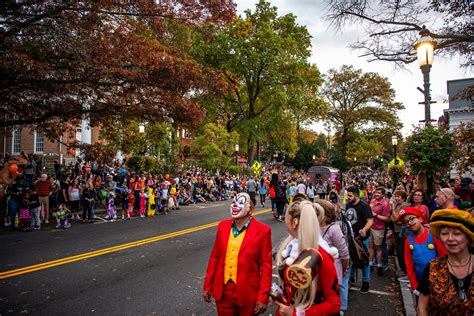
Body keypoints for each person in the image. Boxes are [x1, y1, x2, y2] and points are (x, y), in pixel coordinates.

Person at [203, 192, 272, 315]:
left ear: (250, 208)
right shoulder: (222, 226)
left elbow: (266, 267)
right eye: (234, 201)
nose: (235, 205)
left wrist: (263, 296)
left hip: (248, 293)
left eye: (240, 202)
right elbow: (215, 257)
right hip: (224, 293)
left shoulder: (263, 231)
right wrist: (207, 285)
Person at [272, 200, 340, 315]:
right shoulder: (290, 246)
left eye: (286, 217)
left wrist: (297, 313)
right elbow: (291, 287)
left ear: (294, 222)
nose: (285, 221)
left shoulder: (321, 255)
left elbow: (334, 303)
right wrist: (279, 294)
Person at [417, 209, 473, 315]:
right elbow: (422, 307)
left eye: (457, 233)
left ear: (468, 236)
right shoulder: (433, 268)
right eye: (444, 234)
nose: (450, 239)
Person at [397, 207, 446, 300]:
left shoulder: (434, 236)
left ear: (420, 218)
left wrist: (443, 282)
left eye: (412, 218)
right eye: (406, 222)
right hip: (420, 283)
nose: (409, 223)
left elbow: (444, 258)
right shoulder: (408, 241)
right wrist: (414, 286)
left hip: (438, 281)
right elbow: (409, 265)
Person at [318, 199, 350, 314]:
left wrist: (344, 268)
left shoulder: (334, 229)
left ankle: (340, 309)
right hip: (318, 272)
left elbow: (344, 254)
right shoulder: (314, 227)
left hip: (332, 272)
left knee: (332, 302)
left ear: (325, 214)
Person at [345, 186, 373, 294]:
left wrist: (364, 229)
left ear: (356, 195)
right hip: (351, 238)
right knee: (351, 259)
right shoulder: (348, 205)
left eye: (350, 195)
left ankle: (365, 282)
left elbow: (370, 220)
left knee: (363, 259)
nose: (348, 197)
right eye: (348, 195)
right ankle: (351, 279)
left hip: (362, 239)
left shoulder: (364, 206)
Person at [369, 187, 391, 276]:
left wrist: (376, 215)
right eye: (376, 192)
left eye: (379, 193)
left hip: (378, 228)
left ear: (383, 195)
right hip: (370, 226)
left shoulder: (385, 204)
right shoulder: (372, 201)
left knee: (378, 248)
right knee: (370, 246)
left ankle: (379, 265)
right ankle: (370, 264)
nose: (377, 194)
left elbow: (387, 219)